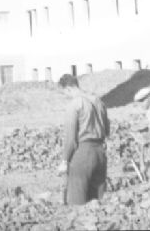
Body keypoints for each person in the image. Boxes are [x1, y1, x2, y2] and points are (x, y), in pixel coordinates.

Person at [59, 74, 111, 205]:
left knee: (77, 203)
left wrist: (65, 160)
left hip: (83, 153)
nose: (66, 96)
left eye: (65, 93)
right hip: (100, 153)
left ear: (68, 88)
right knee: (98, 203)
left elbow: (71, 139)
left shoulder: (74, 105)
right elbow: (107, 129)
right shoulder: (98, 101)